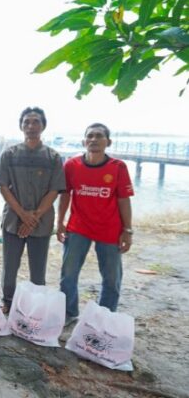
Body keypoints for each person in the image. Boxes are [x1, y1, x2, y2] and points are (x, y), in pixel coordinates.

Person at [57, 123, 134, 325]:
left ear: (108, 142)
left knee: (111, 279)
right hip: (78, 227)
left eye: (99, 136)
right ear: (84, 141)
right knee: (68, 275)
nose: (94, 139)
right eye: (90, 136)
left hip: (109, 230)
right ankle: (69, 312)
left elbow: (124, 199)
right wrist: (60, 222)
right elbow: (65, 195)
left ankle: (104, 318)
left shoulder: (117, 167)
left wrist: (128, 230)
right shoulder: (72, 165)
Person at [0, 106, 66, 313]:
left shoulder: (53, 157)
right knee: (10, 266)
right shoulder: (9, 154)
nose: (31, 126)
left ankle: (36, 306)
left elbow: (54, 190)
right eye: (27, 122)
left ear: (43, 126)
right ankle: (8, 301)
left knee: (38, 267)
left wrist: (33, 217)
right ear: (21, 126)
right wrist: (23, 215)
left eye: (35, 122)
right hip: (13, 219)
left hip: (41, 221)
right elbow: (4, 188)